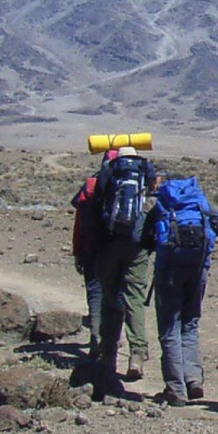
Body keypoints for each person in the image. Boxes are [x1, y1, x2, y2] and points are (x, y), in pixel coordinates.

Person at [83, 145, 157, 401]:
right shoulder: (145, 173)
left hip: (109, 245)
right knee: (134, 299)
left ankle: (109, 356)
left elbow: (94, 207)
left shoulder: (108, 173)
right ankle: (137, 355)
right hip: (137, 247)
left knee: (110, 299)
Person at [147, 173, 218, 406]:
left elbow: (141, 236)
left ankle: (175, 389)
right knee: (190, 324)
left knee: (170, 328)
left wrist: (159, 246)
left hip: (168, 271)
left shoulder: (163, 203)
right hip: (198, 268)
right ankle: (193, 380)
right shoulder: (198, 201)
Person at [70, 149, 119, 350]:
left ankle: (96, 334)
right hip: (117, 248)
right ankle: (115, 339)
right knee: (117, 292)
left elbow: (79, 218)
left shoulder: (90, 186)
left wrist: (78, 250)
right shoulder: (129, 189)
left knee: (95, 290)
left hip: (91, 246)